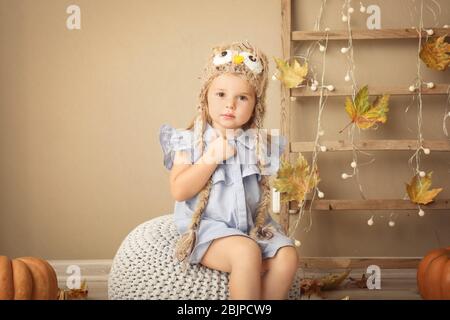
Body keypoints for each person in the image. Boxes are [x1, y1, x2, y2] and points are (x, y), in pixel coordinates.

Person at [159, 41, 298, 300]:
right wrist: (211, 157)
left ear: (255, 105)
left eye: (242, 97)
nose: (230, 105)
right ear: (206, 96)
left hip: (251, 229)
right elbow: (179, 190)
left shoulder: (258, 144)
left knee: (288, 256)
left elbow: (263, 195)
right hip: (208, 229)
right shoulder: (189, 140)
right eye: (221, 94)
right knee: (246, 252)